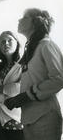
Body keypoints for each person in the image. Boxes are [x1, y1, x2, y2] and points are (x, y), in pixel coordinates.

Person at [4, 8, 63, 140]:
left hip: (45, 117)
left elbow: (59, 79)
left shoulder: (46, 45)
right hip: (29, 118)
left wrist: (27, 95)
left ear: (36, 22)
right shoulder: (32, 49)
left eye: (25, 17)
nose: (19, 20)